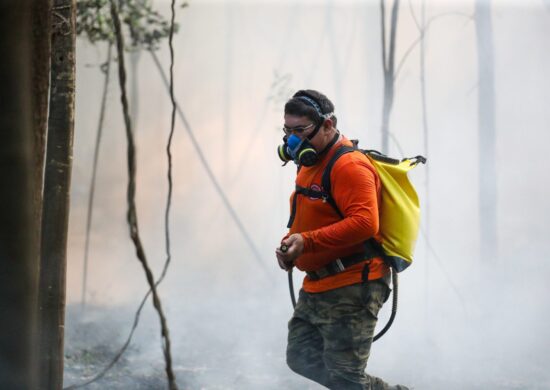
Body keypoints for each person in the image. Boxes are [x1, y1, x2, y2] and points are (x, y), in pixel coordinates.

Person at [275, 90, 408, 390]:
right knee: (301, 357)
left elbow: (364, 223)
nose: (292, 142)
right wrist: (290, 246)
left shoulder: (350, 166)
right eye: (288, 131)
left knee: (347, 377)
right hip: (318, 283)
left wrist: (306, 242)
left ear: (328, 125)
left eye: (300, 131)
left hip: (353, 284)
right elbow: (311, 216)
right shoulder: (309, 162)